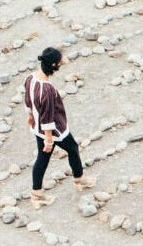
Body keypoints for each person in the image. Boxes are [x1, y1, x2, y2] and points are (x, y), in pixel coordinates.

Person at [24, 47, 95, 207]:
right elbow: (48, 115)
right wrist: (49, 139)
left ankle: (37, 194)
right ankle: (79, 179)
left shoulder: (30, 78)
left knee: (42, 160)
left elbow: (27, 99)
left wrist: (29, 115)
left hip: (38, 127)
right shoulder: (47, 90)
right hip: (54, 131)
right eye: (60, 63)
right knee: (72, 148)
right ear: (54, 65)